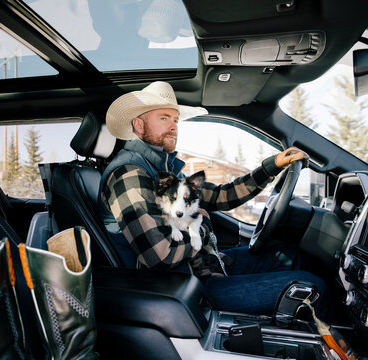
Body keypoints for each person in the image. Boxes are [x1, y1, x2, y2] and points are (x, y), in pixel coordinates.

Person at [98, 81, 331, 318]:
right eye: (164, 118)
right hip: (185, 288)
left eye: (176, 120)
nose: (174, 127)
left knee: (291, 257)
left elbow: (222, 195)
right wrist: (201, 225)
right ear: (138, 124)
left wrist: (272, 166)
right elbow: (160, 256)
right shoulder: (129, 176)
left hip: (201, 267)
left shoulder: (164, 171)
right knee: (312, 289)